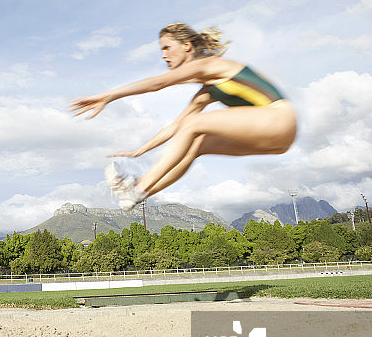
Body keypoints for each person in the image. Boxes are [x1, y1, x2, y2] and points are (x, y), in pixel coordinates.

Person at [71, 22, 297, 211]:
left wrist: (107, 96)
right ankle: (140, 193)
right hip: (276, 142)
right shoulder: (208, 89)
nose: (164, 55)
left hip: (279, 119)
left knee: (195, 124)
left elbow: (158, 83)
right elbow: (177, 126)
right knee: (197, 143)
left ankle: (138, 186)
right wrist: (141, 150)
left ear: (186, 46)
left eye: (167, 48)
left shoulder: (209, 64)